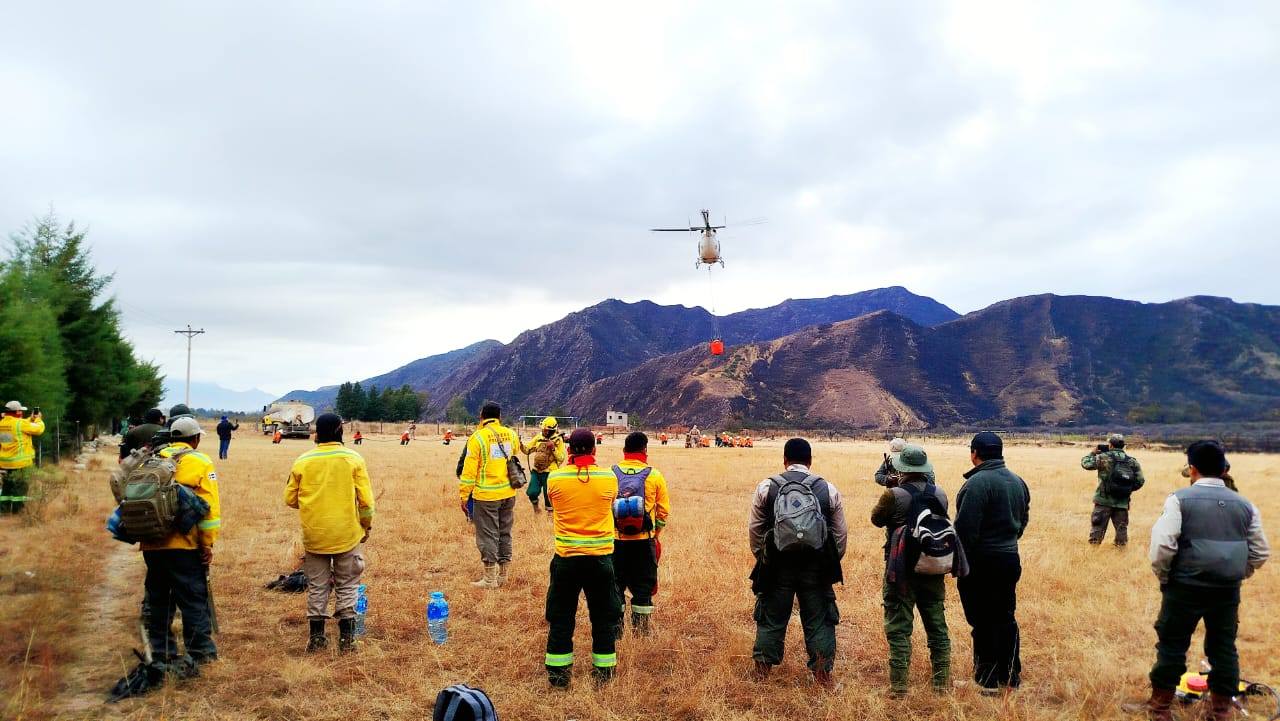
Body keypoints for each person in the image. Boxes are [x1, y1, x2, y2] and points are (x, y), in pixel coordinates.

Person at [1124, 440, 1269, 721]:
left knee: (1172, 645)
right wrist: (1237, 573)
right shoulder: (1246, 505)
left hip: (1184, 587)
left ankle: (1160, 708)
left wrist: (1167, 577)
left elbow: (1162, 547)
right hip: (1227, 590)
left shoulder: (1179, 499)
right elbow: (1260, 551)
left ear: (1192, 469)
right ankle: (1221, 710)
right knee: (1224, 647)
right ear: (1224, 469)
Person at [748, 438, 848, 687]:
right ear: (810, 461)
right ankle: (823, 677)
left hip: (777, 566)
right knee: (820, 619)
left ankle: (762, 675)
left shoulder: (766, 487)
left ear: (784, 460)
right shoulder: (828, 489)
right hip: (816, 568)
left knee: (771, 617)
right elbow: (840, 534)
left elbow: (755, 529)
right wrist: (830, 562)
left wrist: (762, 557)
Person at [285, 413, 375, 654]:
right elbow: (366, 502)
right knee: (348, 585)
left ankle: (316, 638)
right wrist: (365, 526)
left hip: (315, 536)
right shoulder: (353, 459)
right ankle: (347, 641)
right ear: (339, 431)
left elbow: (290, 499)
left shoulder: (303, 461)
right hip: (347, 535)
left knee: (317, 587)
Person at [870, 443, 953, 695]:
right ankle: (941, 684)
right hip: (932, 565)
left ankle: (899, 686)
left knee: (898, 628)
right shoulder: (939, 493)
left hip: (900, 567)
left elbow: (876, 519)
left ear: (901, 467)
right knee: (937, 625)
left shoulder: (893, 495)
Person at [140, 417, 221, 668]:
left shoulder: (151, 460)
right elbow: (210, 512)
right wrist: (206, 544)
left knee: (158, 600)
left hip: (152, 544)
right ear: (195, 439)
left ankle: (161, 651)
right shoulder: (200, 462)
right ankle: (200, 652)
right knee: (192, 598)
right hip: (185, 546)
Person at [544, 429, 622, 687]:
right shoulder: (609, 478)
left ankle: (558, 675)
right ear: (594, 450)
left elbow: (554, 504)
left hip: (566, 559)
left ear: (568, 450)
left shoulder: (554, 478)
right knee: (603, 617)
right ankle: (604, 672)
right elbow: (609, 504)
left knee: (561, 617)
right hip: (600, 560)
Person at [954, 431, 1030, 694]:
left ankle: (986, 681)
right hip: (1009, 557)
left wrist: (962, 564)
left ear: (974, 453)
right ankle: (1010, 678)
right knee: (1005, 618)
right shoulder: (1018, 481)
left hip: (982, 561)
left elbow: (965, 530)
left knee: (983, 621)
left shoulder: (977, 484)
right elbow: (1023, 522)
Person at [459, 402, 525, 589]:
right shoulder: (511, 434)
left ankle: (489, 579)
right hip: (508, 492)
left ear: (481, 416)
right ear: (499, 416)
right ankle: (503, 575)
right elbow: (515, 452)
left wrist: (464, 496)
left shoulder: (477, 438)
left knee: (488, 534)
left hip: (486, 495)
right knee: (505, 532)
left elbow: (469, 471)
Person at [612, 431, 671, 636]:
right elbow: (663, 511)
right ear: (645, 450)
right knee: (643, 587)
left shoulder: (612, 473)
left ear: (624, 451)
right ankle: (641, 631)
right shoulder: (654, 475)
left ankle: (616, 631)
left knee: (616, 586)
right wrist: (656, 533)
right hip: (643, 541)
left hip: (616, 541)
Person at [1081, 433, 1145, 546]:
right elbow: (1140, 481)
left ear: (1110, 445)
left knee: (1097, 528)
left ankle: (1093, 554)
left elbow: (1086, 464)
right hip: (1122, 502)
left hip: (1103, 500)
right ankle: (1120, 554)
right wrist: (1126, 489)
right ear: (1123, 446)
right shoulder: (1132, 461)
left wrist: (1093, 452)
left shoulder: (1103, 457)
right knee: (1121, 530)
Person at [0, 401, 45, 513]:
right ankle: (17, 511)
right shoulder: (20, 424)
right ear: (16, 412)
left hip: (5, 462)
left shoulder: (2, 423)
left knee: (7, 487)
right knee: (20, 487)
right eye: (20, 411)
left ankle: (4, 510)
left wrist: (30, 419)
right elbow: (38, 429)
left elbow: (19, 425)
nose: (21, 413)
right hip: (20, 463)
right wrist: (38, 419)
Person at [525, 417, 566, 513]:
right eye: (543, 429)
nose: (543, 431)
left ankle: (550, 517)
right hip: (536, 470)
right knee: (532, 492)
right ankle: (536, 507)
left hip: (550, 472)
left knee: (549, 495)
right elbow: (527, 449)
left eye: (545, 429)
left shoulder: (558, 440)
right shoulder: (538, 437)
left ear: (551, 431)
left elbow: (561, 458)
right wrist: (520, 444)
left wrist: (553, 448)